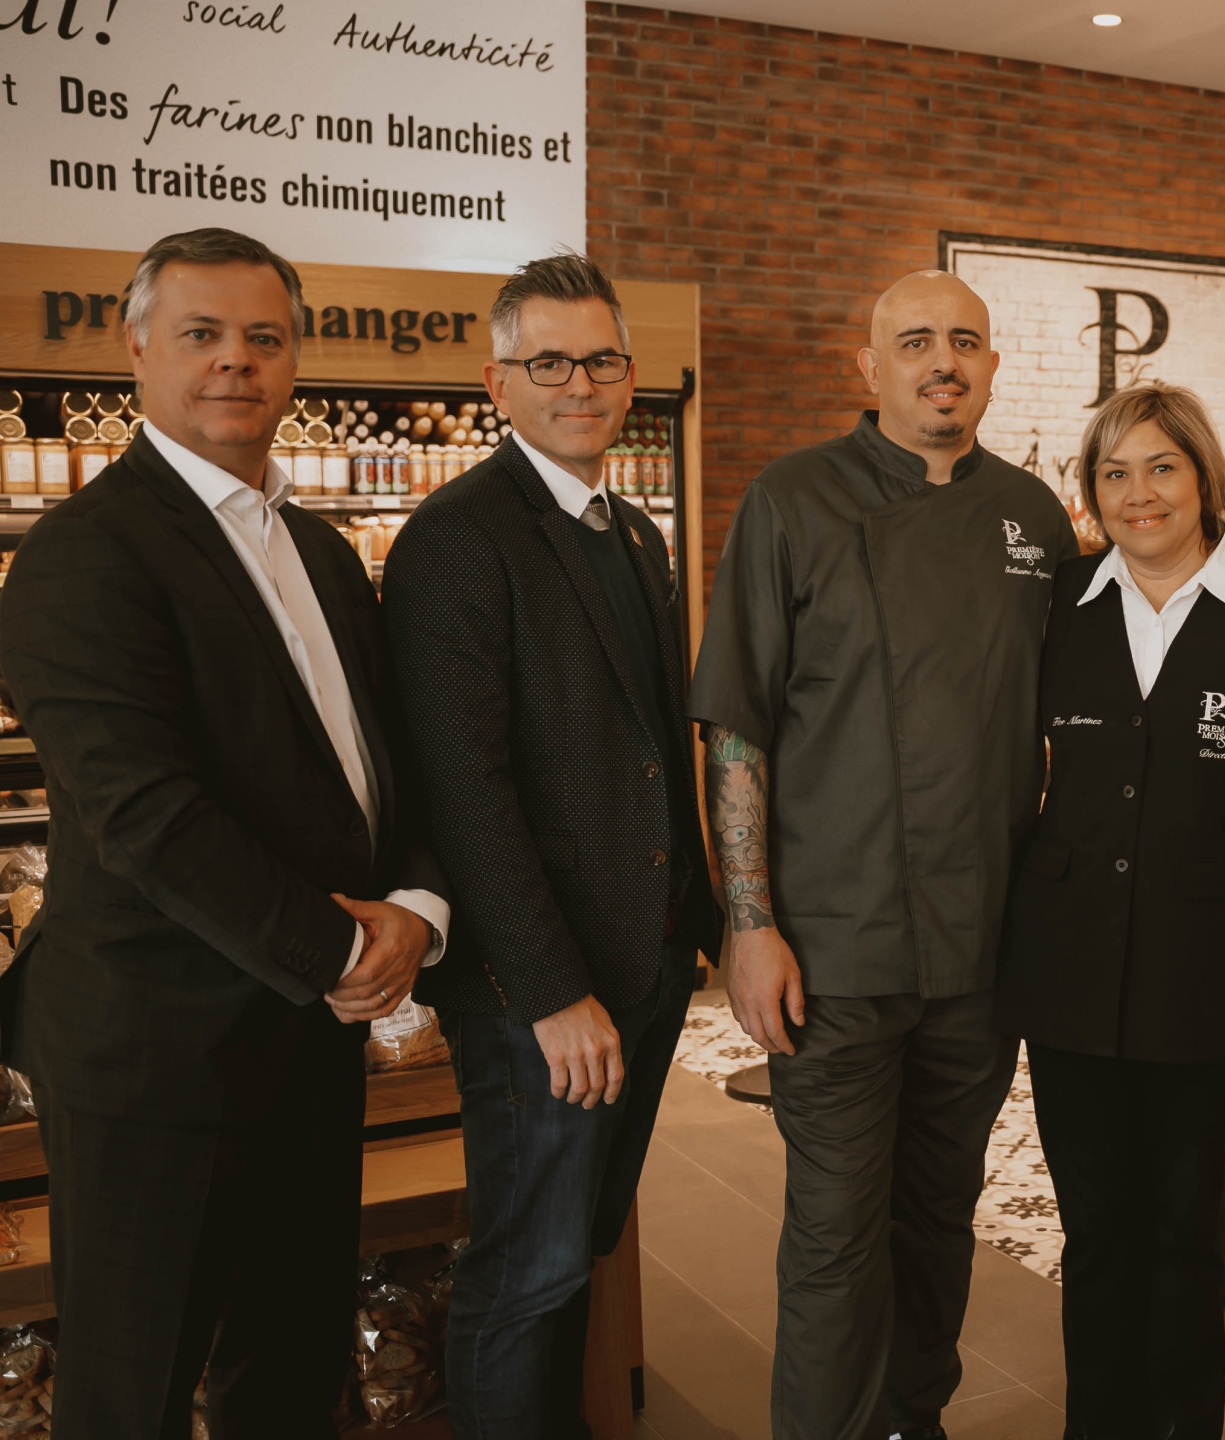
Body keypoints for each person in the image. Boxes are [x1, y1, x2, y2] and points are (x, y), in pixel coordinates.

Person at [0, 228, 448, 1436]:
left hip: (307, 1042)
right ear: (136, 349)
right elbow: (146, 814)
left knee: (293, 1373)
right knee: (132, 1388)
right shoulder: (79, 557)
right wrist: (344, 954)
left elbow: (386, 769)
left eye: (263, 336)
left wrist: (417, 910)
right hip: (157, 1054)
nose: (235, 361)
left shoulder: (319, 552)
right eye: (201, 333)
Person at [691, 271, 1075, 1440]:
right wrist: (747, 921)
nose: (942, 360)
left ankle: (916, 1420)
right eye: (915, 341)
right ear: (871, 368)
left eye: (965, 340)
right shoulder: (793, 499)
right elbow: (738, 724)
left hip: (981, 947)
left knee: (937, 1220)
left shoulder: (1035, 520)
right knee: (833, 1235)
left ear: (993, 367)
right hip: (833, 944)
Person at [382, 253, 721, 1439]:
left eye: (601, 359)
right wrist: (550, 988)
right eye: (549, 363)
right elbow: (461, 789)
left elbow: (643, 744)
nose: (579, 383)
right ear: (497, 381)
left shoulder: (630, 528)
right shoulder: (456, 539)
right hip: (548, 993)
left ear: (631, 373)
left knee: (577, 1248)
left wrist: (703, 925)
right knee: (524, 1273)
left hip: (643, 961)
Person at [994, 381, 1225, 1439]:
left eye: (1159, 466)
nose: (1138, 494)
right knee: (1095, 1234)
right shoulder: (1059, 606)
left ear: (1203, 476)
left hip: (1206, 972)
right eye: (1113, 473)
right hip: (1070, 969)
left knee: (1185, 1234)